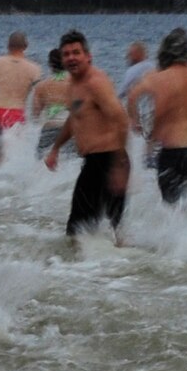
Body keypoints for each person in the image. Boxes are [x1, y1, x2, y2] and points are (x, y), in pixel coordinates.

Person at [43, 30, 132, 243]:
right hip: (95, 163)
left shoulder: (96, 83)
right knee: (97, 230)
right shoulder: (73, 84)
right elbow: (74, 119)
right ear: (62, 59)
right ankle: (106, 269)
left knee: (80, 230)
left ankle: (95, 270)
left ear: (88, 56)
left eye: (76, 53)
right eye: (66, 54)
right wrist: (55, 148)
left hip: (109, 160)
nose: (71, 58)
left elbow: (121, 119)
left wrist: (119, 165)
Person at [126, 27, 187, 204]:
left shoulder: (157, 77)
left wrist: (136, 122)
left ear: (163, 53)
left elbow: (133, 96)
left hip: (174, 151)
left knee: (174, 209)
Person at [0, 32, 41, 133]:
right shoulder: (34, 69)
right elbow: (38, 98)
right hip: (17, 115)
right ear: (26, 46)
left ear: (8, 46)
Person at [30, 46, 72, 157]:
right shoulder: (76, 84)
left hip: (49, 127)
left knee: (40, 161)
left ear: (50, 64)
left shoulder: (41, 86)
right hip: (69, 129)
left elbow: (35, 114)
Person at [120, 41, 156, 165]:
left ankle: (148, 164)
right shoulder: (153, 66)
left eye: (129, 54)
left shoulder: (133, 70)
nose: (127, 57)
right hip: (161, 107)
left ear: (137, 55)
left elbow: (122, 94)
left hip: (150, 111)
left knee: (151, 140)